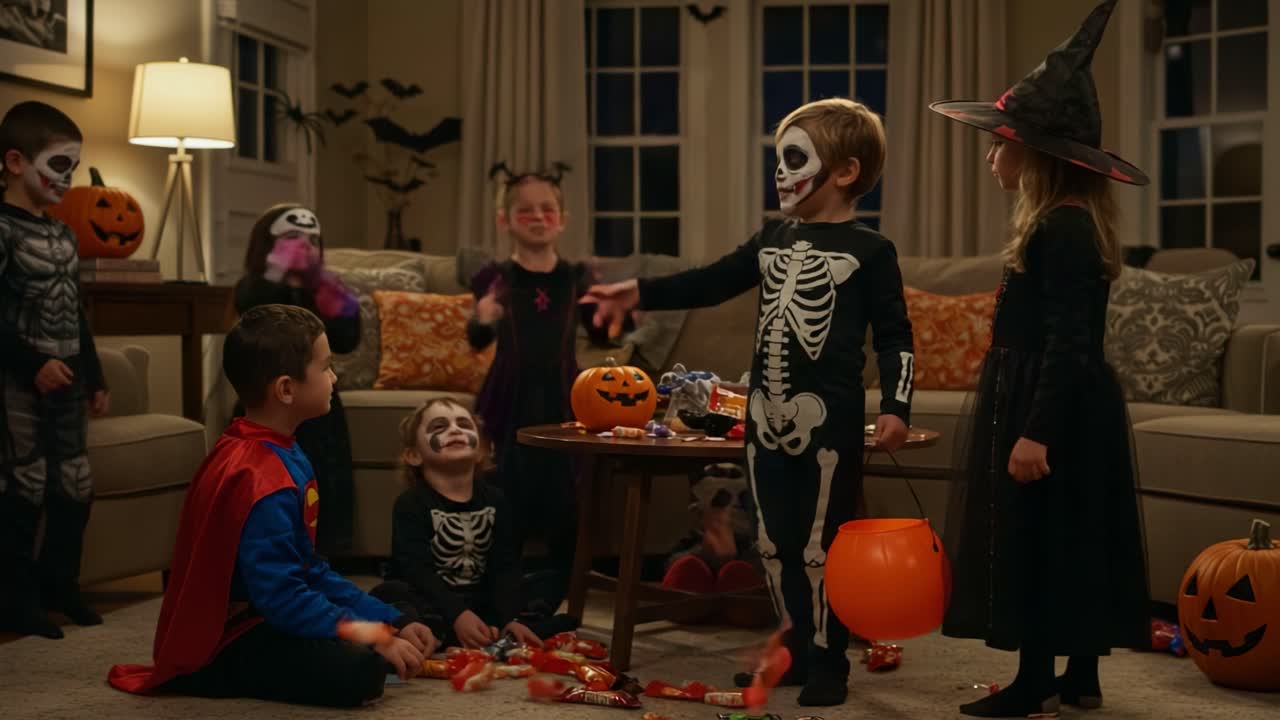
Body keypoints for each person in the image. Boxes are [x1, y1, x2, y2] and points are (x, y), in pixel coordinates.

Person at [584, 98, 914, 707]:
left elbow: (895, 336)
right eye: (778, 159)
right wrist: (640, 290)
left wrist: (897, 404)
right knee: (771, 539)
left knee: (821, 545)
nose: (781, 172)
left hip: (828, 418)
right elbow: (711, 280)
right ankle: (791, 647)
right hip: (762, 413)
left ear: (844, 171)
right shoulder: (772, 238)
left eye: (794, 158)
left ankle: (829, 659)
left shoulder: (871, 251)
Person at [930, 1, 1151, 716]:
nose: (992, 155)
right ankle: (1079, 674)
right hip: (1067, 398)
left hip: (1054, 402)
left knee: (1037, 537)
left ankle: (1034, 679)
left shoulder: (1062, 232)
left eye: (1000, 144)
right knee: (1075, 530)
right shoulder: (1063, 225)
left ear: (1038, 156)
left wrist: (1035, 429)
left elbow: (1069, 342)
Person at [108, 304, 437, 708]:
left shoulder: (279, 451)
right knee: (359, 671)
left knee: (395, 600)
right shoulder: (264, 479)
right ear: (286, 389)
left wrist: (390, 619)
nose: (335, 377)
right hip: (234, 636)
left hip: (272, 609)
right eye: (326, 367)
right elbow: (283, 598)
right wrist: (376, 635)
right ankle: (220, 675)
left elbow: (309, 568)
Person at [466, 162, 612, 613]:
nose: (536, 217)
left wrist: (615, 318)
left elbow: (603, 335)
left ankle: (563, 592)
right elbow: (477, 340)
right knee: (505, 485)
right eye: (524, 210)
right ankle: (503, 592)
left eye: (547, 209)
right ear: (504, 220)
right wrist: (482, 319)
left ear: (562, 219)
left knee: (565, 489)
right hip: (507, 391)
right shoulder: (494, 277)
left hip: (564, 391)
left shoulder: (576, 277)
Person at [0, 100, 108, 639]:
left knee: (75, 482)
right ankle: (17, 599)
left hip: (67, 376)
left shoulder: (65, 235)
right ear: (17, 162)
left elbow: (76, 310)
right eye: (59, 165)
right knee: (26, 484)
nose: (68, 179)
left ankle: (62, 584)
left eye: (75, 166)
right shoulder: (3, 229)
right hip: (18, 380)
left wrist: (95, 375)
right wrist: (31, 362)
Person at [372, 397, 578, 649]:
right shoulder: (411, 503)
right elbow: (417, 571)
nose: (455, 430)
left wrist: (508, 616)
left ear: (482, 450)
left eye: (464, 424)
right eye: (439, 427)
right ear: (413, 455)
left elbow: (504, 565)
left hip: (482, 598)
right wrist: (458, 614)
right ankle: (457, 632)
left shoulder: (496, 499)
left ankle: (501, 627)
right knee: (390, 592)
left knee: (550, 580)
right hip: (430, 598)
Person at [234, 203, 359, 555]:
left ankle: (328, 549)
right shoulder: (257, 286)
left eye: (311, 239)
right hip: (266, 405)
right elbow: (252, 308)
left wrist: (323, 287)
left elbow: (350, 336)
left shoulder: (325, 289)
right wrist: (278, 269)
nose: (303, 245)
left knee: (325, 472)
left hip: (317, 402)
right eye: (291, 237)